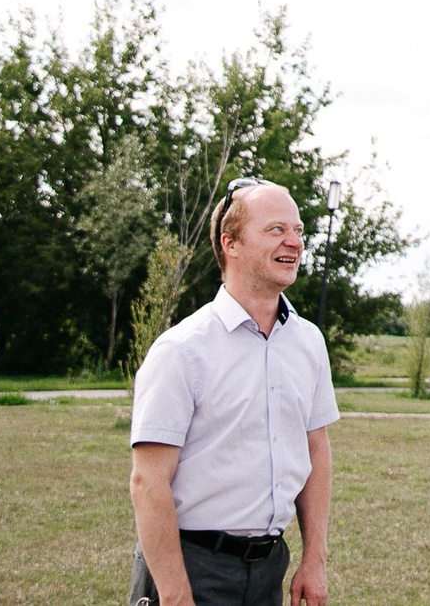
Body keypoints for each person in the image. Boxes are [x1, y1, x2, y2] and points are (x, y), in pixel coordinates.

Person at [128, 179, 336, 606]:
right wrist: (175, 594)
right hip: (191, 567)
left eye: (298, 230)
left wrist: (314, 558)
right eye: (276, 230)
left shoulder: (309, 342)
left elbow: (316, 449)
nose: (294, 242)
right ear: (231, 243)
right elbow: (148, 481)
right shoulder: (181, 350)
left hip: (268, 569)